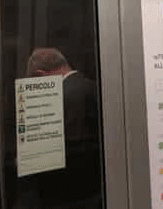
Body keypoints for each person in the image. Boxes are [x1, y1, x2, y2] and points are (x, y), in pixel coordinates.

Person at [21, 47, 102, 209]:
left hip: (65, 191)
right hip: (96, 187)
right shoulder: (94, 86)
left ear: (40, 75)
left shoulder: (57, 96)